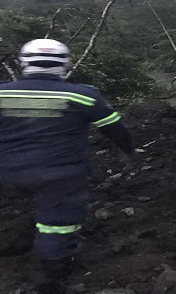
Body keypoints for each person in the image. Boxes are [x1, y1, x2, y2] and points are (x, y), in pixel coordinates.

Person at [0, 39, 137, 294]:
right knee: (57, 223)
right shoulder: (82, 95)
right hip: (60, 175)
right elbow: (115, 128)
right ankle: (53, 274)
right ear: (65, 64)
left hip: (8, 170)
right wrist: (128, 151)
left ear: (23, 63)